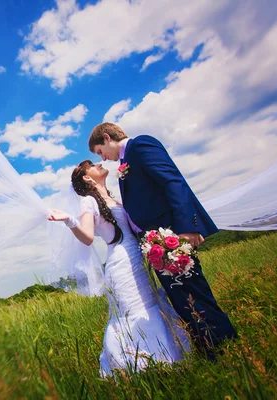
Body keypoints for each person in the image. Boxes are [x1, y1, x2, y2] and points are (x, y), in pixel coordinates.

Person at [88, 122, 237, 360]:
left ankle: (224, 344)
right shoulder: (126, 163)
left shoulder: (141, 145)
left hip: (171, 238)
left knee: (194, 292)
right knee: (180, 297)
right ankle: (207, 348)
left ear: (106, 137)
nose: (102, 158)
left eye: (99, 151)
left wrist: (186, 227)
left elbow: (173, 181)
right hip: (155, 245)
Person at [48, 161, 190, 377]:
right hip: (121, 263)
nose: (100, 163)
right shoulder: (88, 201)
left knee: (151, 303)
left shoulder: (112, 198)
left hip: (137, 258)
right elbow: (87, 237)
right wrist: (69, 220)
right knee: (132, 309)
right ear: (88, 178)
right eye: (94, 165)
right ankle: (139, 367)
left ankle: (167, 361)